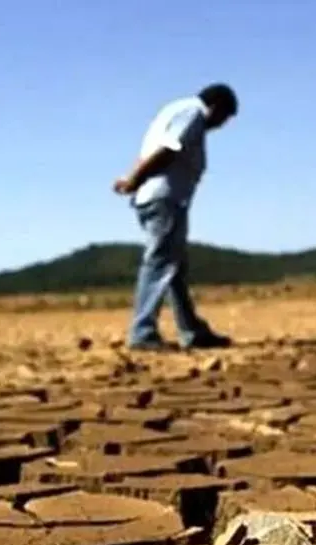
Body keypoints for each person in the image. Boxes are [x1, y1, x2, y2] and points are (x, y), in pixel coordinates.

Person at [112, 83, 238, 351]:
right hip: (165, 199)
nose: (220, 125)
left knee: (174, 268)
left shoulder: (175, 110)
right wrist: (134, 179)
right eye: (223, 118)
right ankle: (142, 332)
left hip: (157, 198)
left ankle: (192, 330)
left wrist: (131, 178)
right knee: (159, 264)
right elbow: (169, 149)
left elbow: (152, 150)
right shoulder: (192, 113)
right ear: (216, 107)